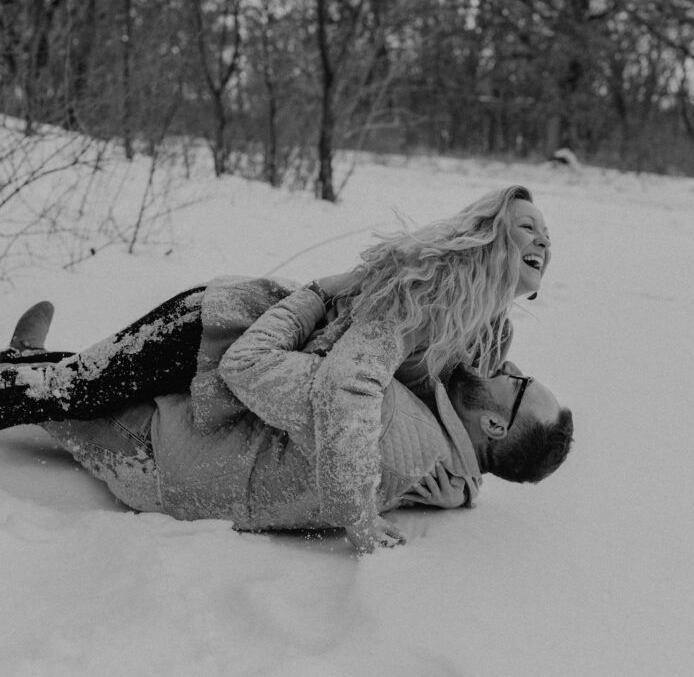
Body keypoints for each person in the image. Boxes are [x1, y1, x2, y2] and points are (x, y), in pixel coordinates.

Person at [0, 185, 562, 549]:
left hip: (237, 376)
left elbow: (465, 410)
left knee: (85, 390)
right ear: (490, 239)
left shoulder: (486, 330)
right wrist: (357, 511)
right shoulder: (420, 295)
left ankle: (26, 362)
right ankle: (27, 367)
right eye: (528, 227)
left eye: (547, 234)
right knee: (72, 391)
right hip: (214, 326)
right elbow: (351, 389)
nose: (544, 239)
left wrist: (446, 484)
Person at [2, 295, 573, 553]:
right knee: (98, 377)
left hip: (166, 457)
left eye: (519, 384)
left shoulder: (396, 426)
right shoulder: (445, 460)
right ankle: (32, 362)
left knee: (68, 401)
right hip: (214, 448)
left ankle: (25, 375)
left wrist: (332, 296)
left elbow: (259, 365)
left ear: (496, 426)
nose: (512, 370)